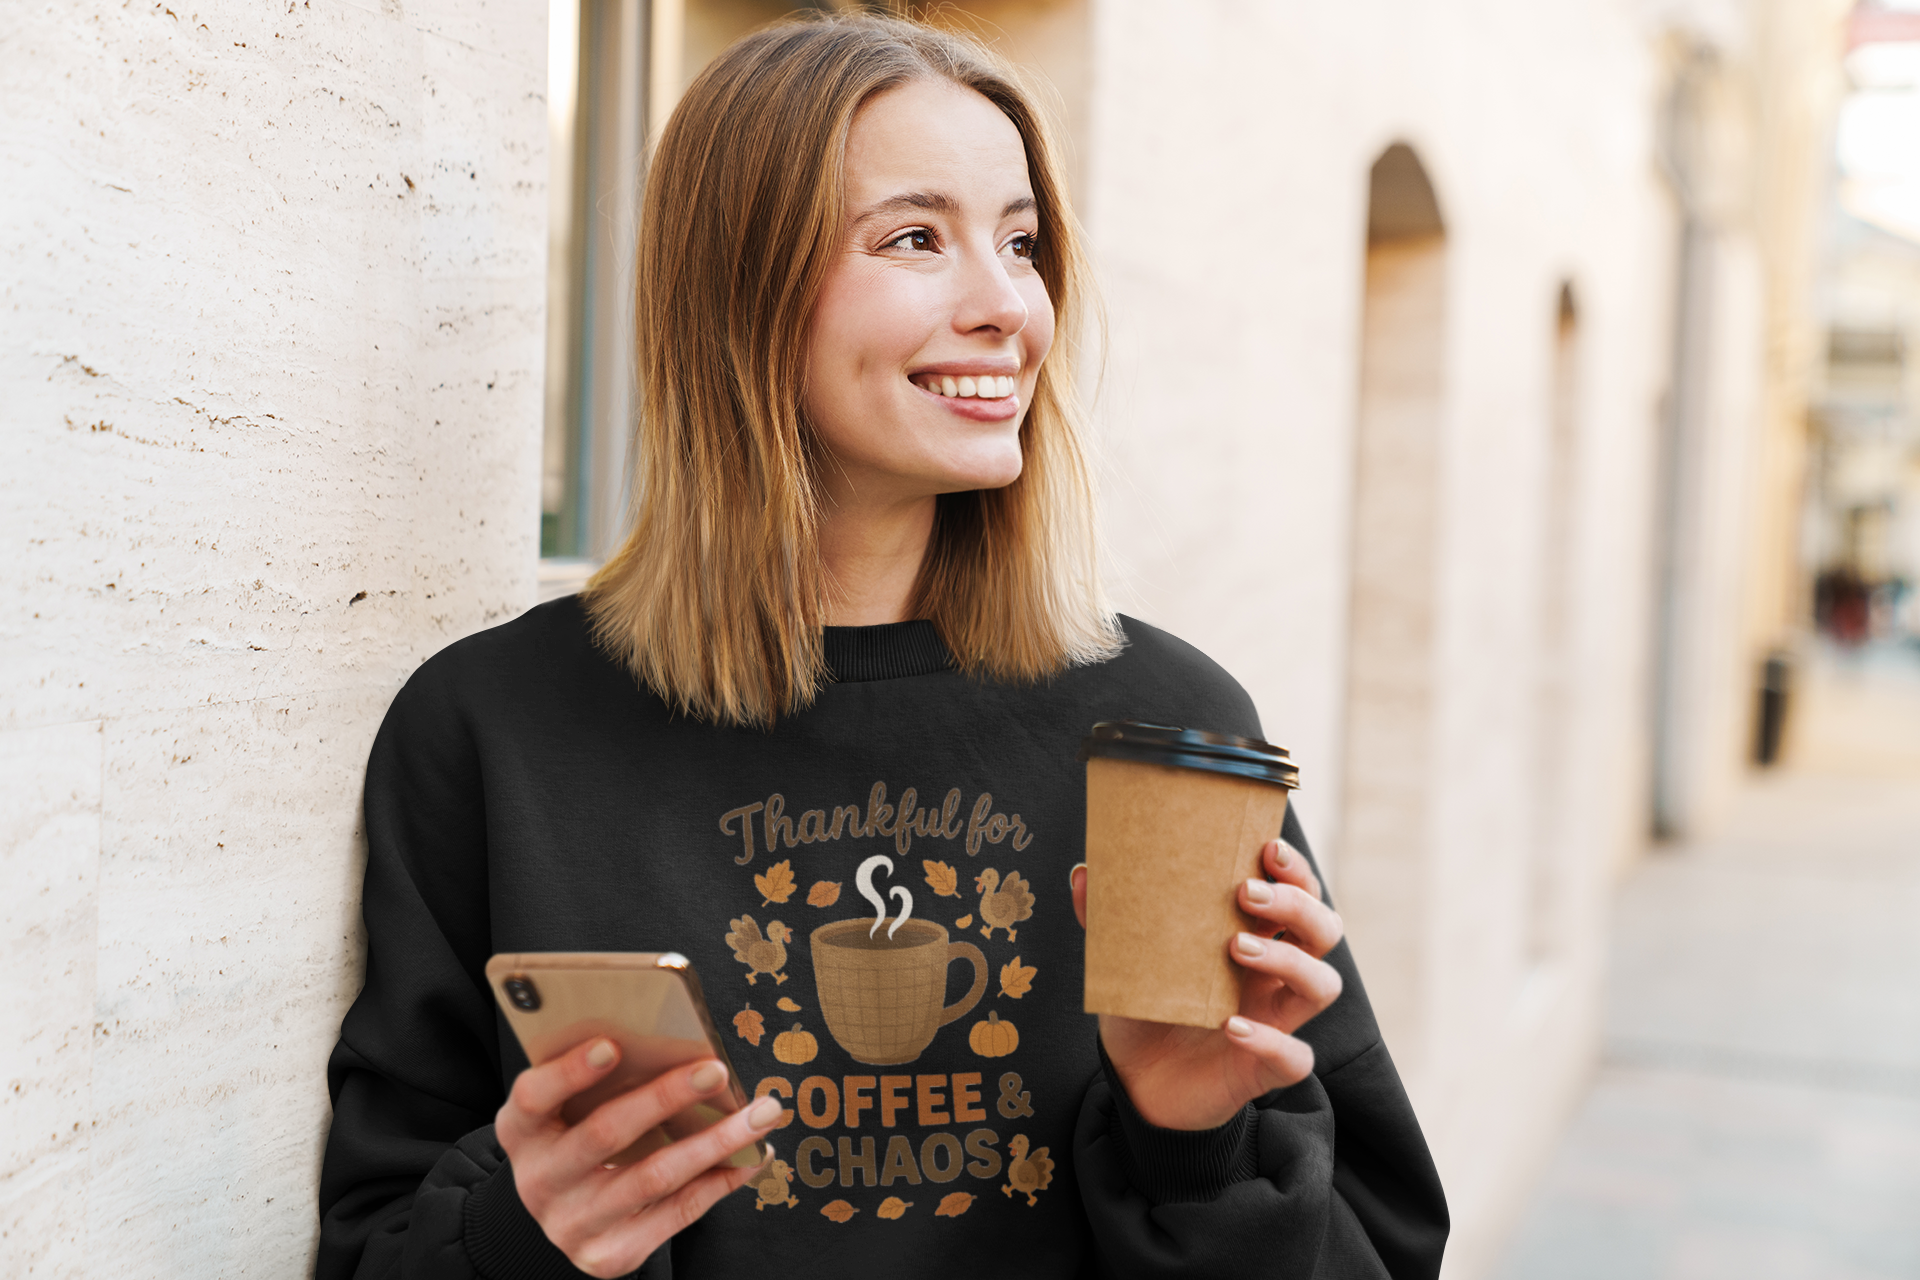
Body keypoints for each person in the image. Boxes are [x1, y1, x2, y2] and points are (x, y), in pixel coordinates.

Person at [317, 13, 1447, 1279]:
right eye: (917, 237)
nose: (1008, 305)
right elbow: (377, 1242)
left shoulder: (1166, 731)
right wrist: (524, 1234)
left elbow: (1383, 1249)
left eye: (1022, 243)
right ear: (742, 287)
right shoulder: (496, 730)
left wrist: (1192, 1139)